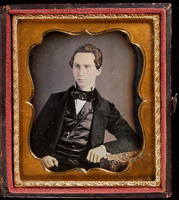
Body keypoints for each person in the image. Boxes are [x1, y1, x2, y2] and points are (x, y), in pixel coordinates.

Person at [30, 44, 141, 172]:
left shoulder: (106, 108)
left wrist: (104, 148)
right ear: (72, 68)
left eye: (87, 67)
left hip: (87, 171)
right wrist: (44, 156)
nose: (81, 72)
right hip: (53, 169)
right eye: (77, 66)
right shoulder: (55, 100)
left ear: (98, 71)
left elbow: (132, 140)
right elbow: (34, 137)